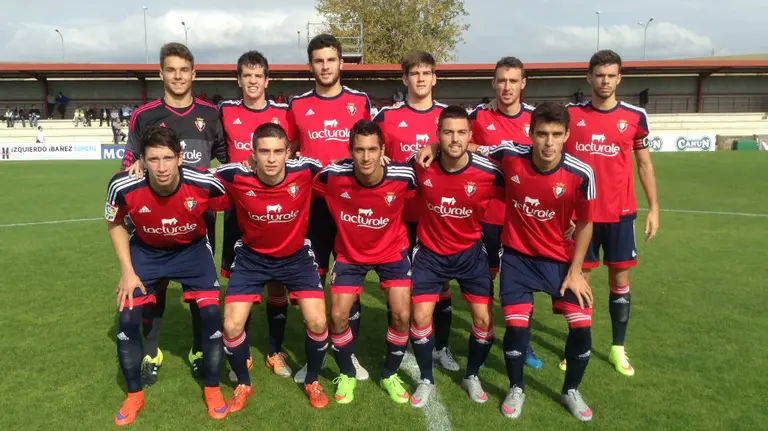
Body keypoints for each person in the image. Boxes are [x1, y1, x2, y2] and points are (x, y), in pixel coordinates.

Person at [105, 126, 231, 426]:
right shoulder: (123, 185)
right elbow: (115, 223)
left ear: (180, 158)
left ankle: (212, 389)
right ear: (143, 160)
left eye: (166, 158)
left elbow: (236, 196)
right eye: (153, 159)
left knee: (212, 314)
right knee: (127, 319)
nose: (161, 167)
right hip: (147, 253)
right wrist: (127, 271)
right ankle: (134, 394)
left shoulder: (204, 182)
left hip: (192, 252)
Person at [120, 42, 228, 387]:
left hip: (198, 217)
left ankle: (199, 350)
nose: (178, 76)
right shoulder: (144, 115)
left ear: (194, 74)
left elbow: (225, 161)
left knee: (201, 291)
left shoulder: (211, 114)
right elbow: (129, 165)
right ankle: (152, 352)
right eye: (171, 70)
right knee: (155, 289)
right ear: (161, 73)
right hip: (153, 219)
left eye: (184, 70)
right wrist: (135, 165)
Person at [485, 103, 596, 421]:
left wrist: (576, 271)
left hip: (560, 260)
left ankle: (570, 389)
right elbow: (467, 148)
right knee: (517, 328)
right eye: (542, 134)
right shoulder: (509, 155)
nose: (549, 142)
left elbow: (587, 223)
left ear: (567, 135)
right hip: (518, 259)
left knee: (582, 327)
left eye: (556, 135)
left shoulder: (580, 173)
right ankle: (517, 386)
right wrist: (436, 144)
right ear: (530, 133)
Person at [215, 123, 330, 411]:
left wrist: (381, 161)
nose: (271, 158)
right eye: (264, 151)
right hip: (252, 259)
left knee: (318, 321)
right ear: (252, 154)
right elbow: (193, 178)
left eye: (278, 151)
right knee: (230, 325)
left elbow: (343, 169)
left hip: (296, 258)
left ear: (287, 153)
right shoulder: (234, 175)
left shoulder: (305, 170)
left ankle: (312, 380)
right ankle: (243, 383)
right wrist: (142, 165)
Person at [559, 50, 659, 377]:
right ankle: (577, 344)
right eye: (599, 75)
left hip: (621, 215)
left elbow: (644, 164)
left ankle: (617, 348)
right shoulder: (571, 115)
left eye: (611, 75)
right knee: (580, 281)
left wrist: (654, 208)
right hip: (582, 217)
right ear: (589, 78)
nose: (605, 81)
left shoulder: (634, 117)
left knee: (620, 280)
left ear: (619, 78)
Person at [287, 33, 372, 383]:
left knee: (349, 284)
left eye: (331, 59)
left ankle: (347, 357)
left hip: (351, 205)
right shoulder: (297, 105)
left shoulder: (360, 100)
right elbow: (289, 151)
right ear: (311, 66)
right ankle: (315, 357)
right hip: (312, 207)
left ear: (341, 62)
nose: (325, 66)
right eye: (318, 61)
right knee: (313, 283)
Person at [313, 120, 416, 405]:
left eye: (372, 149)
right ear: (350, 151)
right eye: (359, 150)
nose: (366, 157)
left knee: (402, 315)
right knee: (337, 317)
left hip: (392, 252)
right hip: (350, 255)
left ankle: (389, 373)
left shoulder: (404, 176)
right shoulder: (332, 175)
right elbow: (294, 176)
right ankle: (346, 372)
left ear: (383, 150)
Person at [407, 106, 504, 408]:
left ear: (470, 135)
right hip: (430, 253)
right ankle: (426, 378)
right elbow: (386, 176)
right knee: (421, 317)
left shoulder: (489, 172)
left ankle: (471, 375)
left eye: (461, 132)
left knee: (484, 321)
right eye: (447, 132)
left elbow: (525, 188)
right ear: (437, 135)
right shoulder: (421, 165)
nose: (454, 138)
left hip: (470, 253)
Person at [372, 51, 459, 371]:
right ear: (404, 78)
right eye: (414, 73)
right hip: (397, 215)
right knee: (400, 283)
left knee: (442, 284)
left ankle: (442, 347)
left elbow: (466, 149)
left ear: (435, 78)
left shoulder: (448, 117)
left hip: (440, 216)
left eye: (426, 73)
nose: (421, 78)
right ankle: (402, 339)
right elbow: (370, 150)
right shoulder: (386, 117)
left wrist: (437, 146)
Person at [218, 50, 295, 378]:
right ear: (239, 80)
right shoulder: (225, 112)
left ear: (267, 80)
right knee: (241, 286)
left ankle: (276, 352)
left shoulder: (284, 113)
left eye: (258, 76)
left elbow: (297, 154)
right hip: (239, 210)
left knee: (277, 285)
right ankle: (242, 353)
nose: (252, 82)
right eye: (246, 76)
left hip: (277, 214)